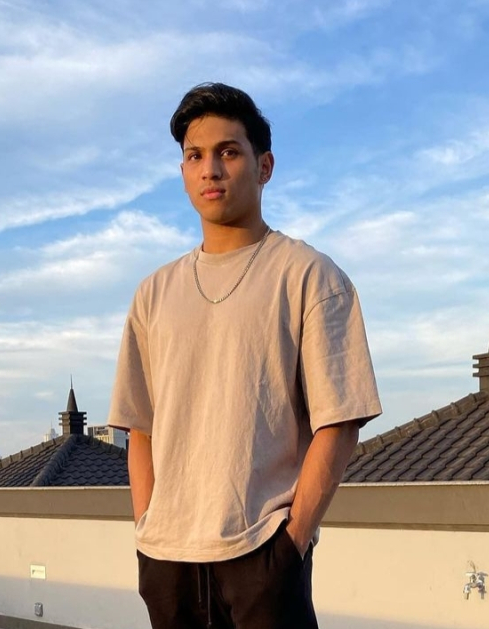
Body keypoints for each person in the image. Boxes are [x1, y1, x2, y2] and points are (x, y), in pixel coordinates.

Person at [108, 82, 382, 629]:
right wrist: (146, 528)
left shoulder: (310, 277)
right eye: (195, 156)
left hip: (262, 553)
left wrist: (291, 542)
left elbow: (339, 420)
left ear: (264, 167)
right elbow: (141, 426)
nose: (210, 169)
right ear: (183, 171)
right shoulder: (154, 293)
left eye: (228, 152)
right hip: (167, 559)